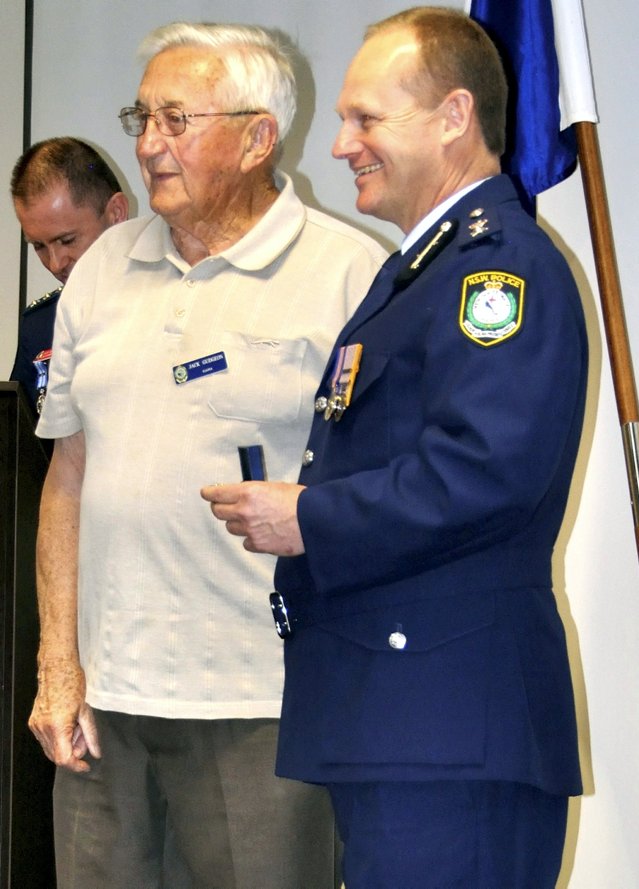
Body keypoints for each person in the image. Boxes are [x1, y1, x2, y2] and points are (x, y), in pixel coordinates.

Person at [204, 8, 588, 889]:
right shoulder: (421, 272)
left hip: (448, 724)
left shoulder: (499, 270)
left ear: (454, 116)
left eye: (365, 118)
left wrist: (309, 517)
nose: (340, 144)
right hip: (403, 720)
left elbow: (484, 470)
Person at [30, 21, 387, 889]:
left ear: (259, 135)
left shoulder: (351, 275)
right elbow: (66, 475)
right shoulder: (102, 270)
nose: (149, 143)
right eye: (142, 116)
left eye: (177, 120)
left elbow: (386, 491)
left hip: (264, 704)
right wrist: (57, 664)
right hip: (103, 710)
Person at [9, 137, 129, 415]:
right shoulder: (40, 324)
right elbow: (19, 446)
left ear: (116, 214)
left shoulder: (169, 302)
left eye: (67, 240)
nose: (55, 263)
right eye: (39, 246)